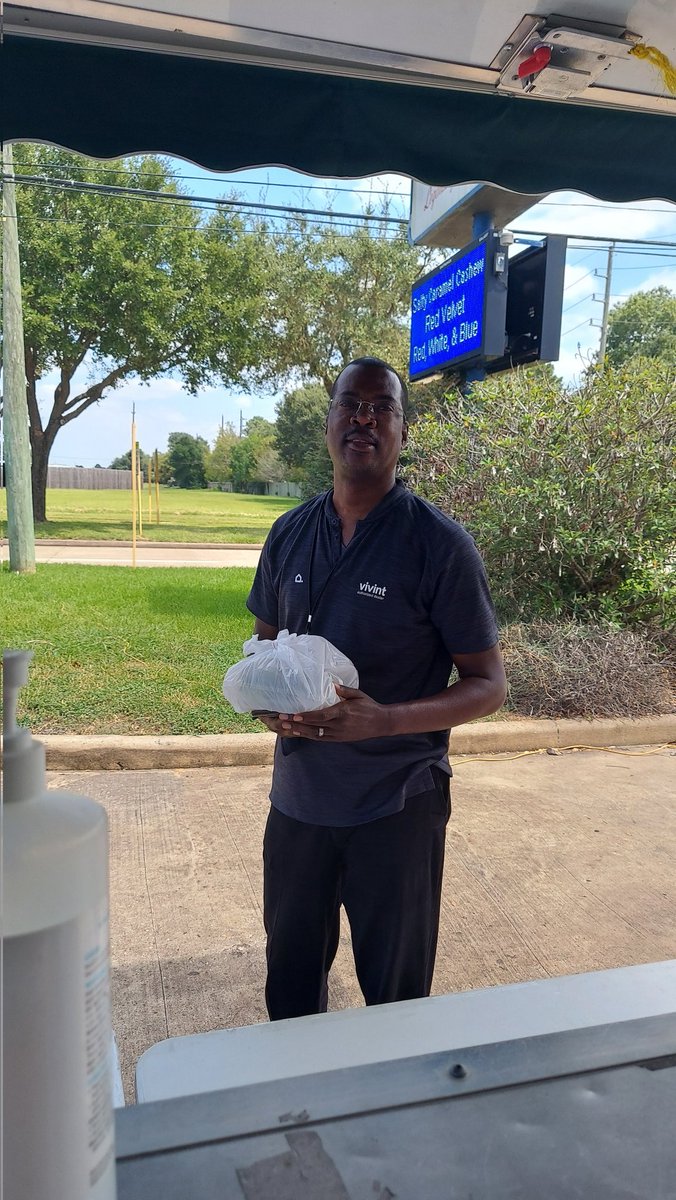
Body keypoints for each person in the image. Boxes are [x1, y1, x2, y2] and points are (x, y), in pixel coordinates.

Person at [248, 356, 506, 1020]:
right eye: (349, 404)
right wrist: (267, 704)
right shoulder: (289, 534)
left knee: (396, 1006)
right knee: (291, 993)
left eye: (382, 406)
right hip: (299, 806)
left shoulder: (439, 545)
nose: (363, 418)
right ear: (328, 423)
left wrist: (383, 720)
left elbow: (487, 684)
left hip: (396, 809)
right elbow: (265, 650)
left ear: (402, 432)